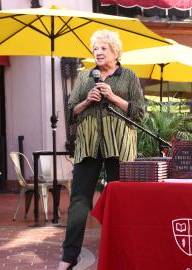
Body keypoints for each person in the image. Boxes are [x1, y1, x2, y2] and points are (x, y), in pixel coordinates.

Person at [58, 29, 145, 270]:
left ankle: (121, 252)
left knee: (121, 201)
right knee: (79, 201)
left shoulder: (128, 76)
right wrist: (87, 100)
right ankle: (68, 257)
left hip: (119, 145)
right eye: (95, 48)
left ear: (115, 52)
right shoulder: (85, 78)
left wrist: (113, 97)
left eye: (103, 48)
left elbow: (139, 112)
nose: (97, 52)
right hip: (89, 145)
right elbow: (70, 112)